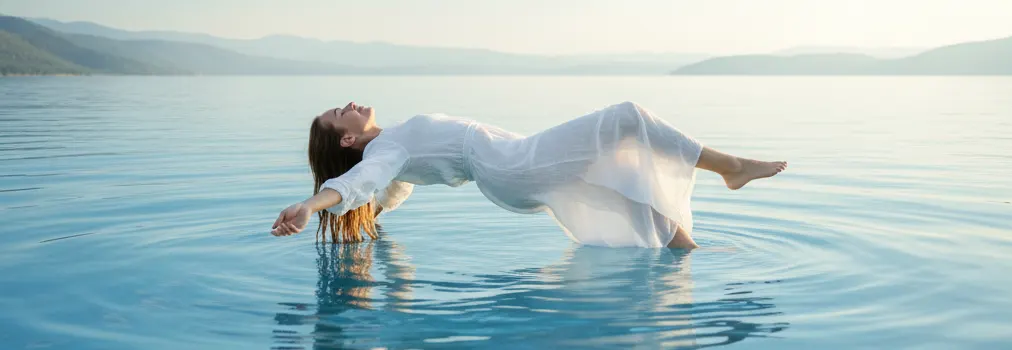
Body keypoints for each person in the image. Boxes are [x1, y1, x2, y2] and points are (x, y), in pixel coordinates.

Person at [271, 101, 786, 249]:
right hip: (512, 165)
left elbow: (390, 186)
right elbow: (365, 180)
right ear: (346, 139)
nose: (350, 104)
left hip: (512, 165)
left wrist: (372, 218)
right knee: (627, 118)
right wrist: (312, 206)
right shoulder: (386, 147)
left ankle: (688, 255)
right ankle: (732, 169)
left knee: (630, 196)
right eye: (341, 112)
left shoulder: (396, 142)